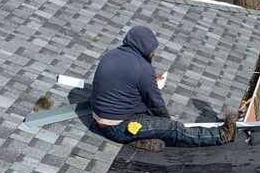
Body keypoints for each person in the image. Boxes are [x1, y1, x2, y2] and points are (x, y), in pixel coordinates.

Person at [90, 25, 234, 150]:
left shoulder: (112, 54)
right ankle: (222, 135)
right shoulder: (142, 68)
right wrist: (167, 123)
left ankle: (140, 138)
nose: (153, 53)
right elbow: (156, 104)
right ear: (145, 49)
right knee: (174, 129)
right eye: (152, 50)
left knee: (148, 114)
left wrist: (149, 82)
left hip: (100, 117)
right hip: (117, 127)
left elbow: (124, 83)